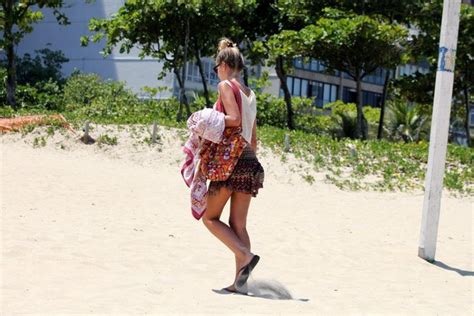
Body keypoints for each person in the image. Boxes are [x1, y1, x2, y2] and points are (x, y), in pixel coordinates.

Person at [202, 38, 264, 293]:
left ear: (225, 64)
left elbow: (234, 120)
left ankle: (245, 256)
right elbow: (253, 136)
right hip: (249, 158)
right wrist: (248, 158)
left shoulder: (225, 85)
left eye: (217, 65)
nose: (216, 70)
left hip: (231, 159)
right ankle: (241, 283)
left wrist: (206, 118)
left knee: (209, 217)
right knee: (239, 225)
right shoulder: (251, 94)